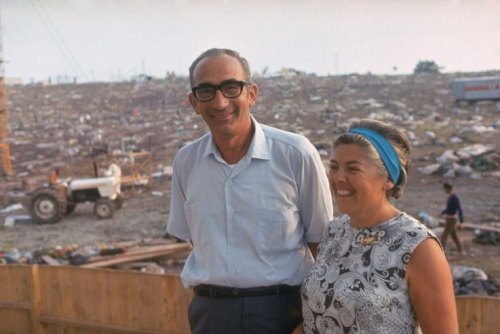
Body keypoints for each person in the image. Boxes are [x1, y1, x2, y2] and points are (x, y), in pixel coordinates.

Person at [166, 48, 334, 334]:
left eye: (231, 88)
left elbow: (323, 246)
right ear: (194, 102)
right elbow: (197, 240)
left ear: (252, 93)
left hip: (284, 313)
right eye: (206, 91)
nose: (220, 102)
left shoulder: (295, 155)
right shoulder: (187, 161)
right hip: (212, 314)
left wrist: (313, 320)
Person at [301, 119, 458, 333]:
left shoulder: (417, 247)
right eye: (334, 167)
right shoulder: (333, 232)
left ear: (388, 180)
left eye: (353, 169)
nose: (338, 178)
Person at [440, 182, 465, 255]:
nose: (445, 190)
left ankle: (441, 252)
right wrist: (443, 212)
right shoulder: (450, 197)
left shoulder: (455, 198)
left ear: (448, 189)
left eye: (445, 189)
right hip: (449, 219)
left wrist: (461, 221)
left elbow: (459, 209)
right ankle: (461, 250)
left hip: (452, 220)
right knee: (454, 235)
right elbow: (449, 209)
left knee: (444, 235)